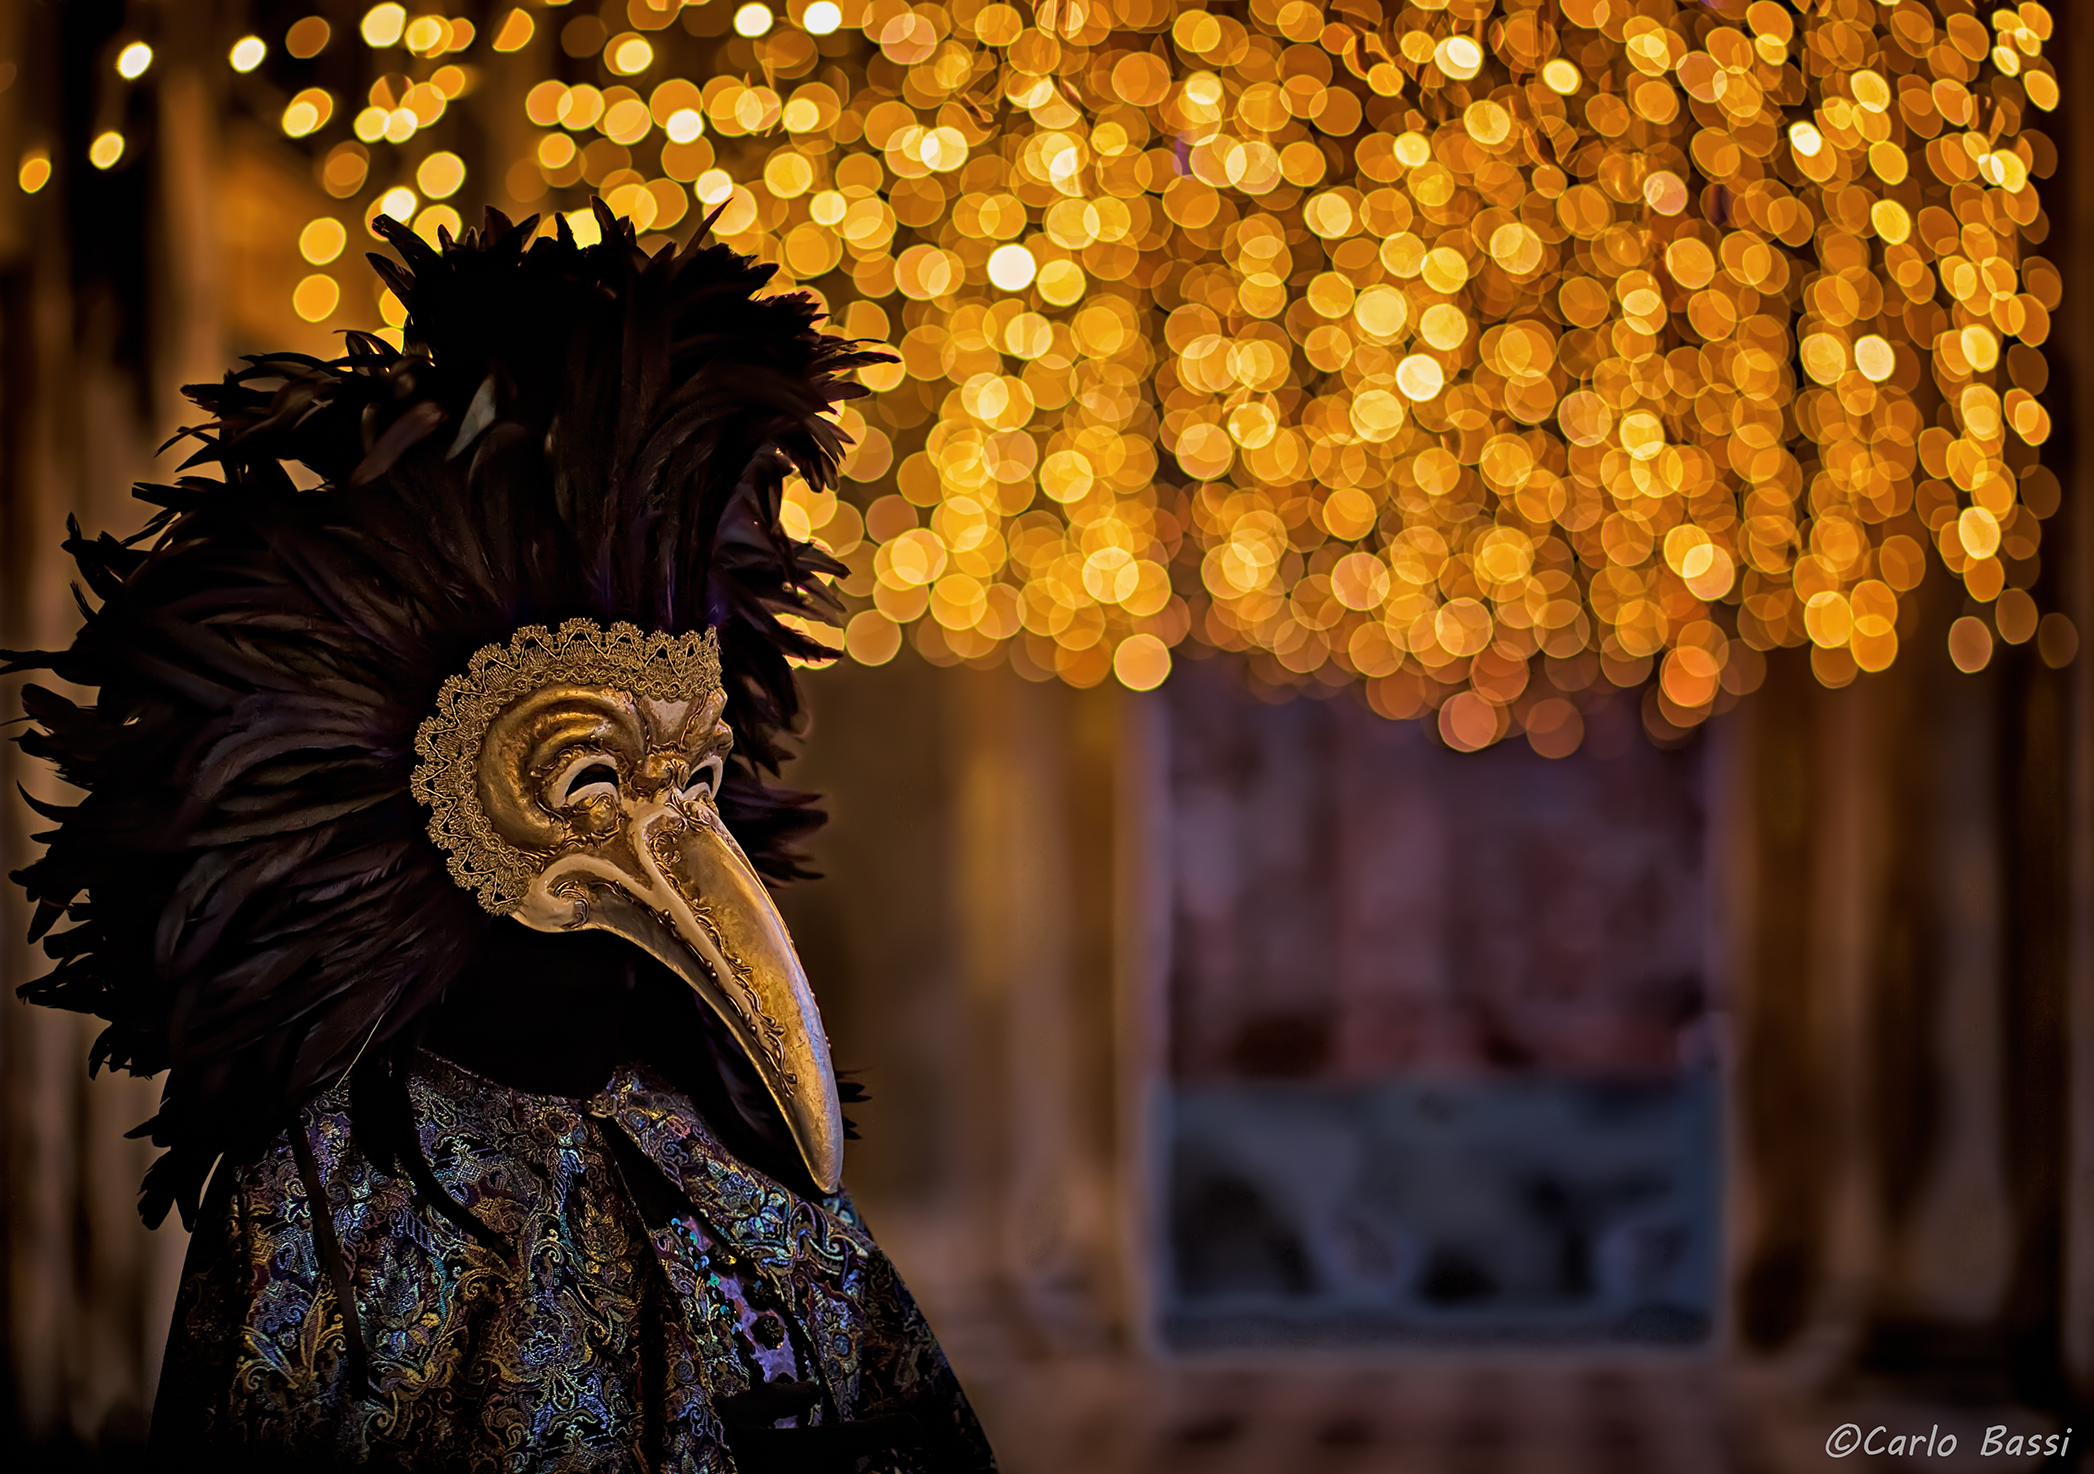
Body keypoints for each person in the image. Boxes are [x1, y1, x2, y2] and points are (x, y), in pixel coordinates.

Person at [7, 204, 997, 1472]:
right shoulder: (327, 1193)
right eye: (589, 773)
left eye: (691, 777)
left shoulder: (704, 1133)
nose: (668, 831)